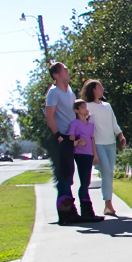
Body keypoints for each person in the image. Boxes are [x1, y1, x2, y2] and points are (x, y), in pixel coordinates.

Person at [82, 80, 126, 216]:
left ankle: (108, 203)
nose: (103, 88)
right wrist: (92, 150)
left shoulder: (107, 106)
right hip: (98, 144)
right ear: (94, 89)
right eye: (100, 86)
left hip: (110, 143)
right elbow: (87, 128)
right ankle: (108, 205)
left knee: (109, 172)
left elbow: (114, 123)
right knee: (106, 172)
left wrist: (120, 136)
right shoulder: (87, 107)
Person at [42, 62, 79, 220]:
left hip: (71, 136)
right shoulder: (54, 92)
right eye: (64, 70)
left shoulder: (69, 91)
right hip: (61, 137)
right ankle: (65, 213)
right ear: (56, 75)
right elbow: (49, 116)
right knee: (63, 175)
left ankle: (69, 211)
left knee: (69, 174)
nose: (67, 71)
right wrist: (58, 135)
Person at [67, 100, 102, 222]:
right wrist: (78, 142)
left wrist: (95, 155)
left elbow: (92, 139)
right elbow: (70, 142)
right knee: (84, 182)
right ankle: (87, 212)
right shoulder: (75, 124)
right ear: (76, 110)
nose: (86, 109)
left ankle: (87, 212)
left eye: (86, 107)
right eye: (82, 107)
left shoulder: (90, 125)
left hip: (89, 154)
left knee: (86, 182)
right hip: (80, 154)